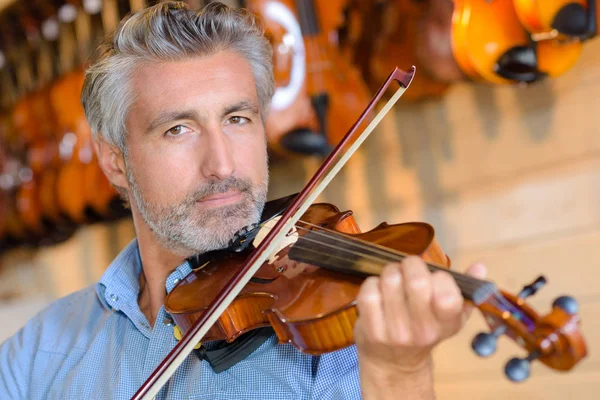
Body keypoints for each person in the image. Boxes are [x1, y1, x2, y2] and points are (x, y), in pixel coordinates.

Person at [0, 2, 486, 399]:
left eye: (238, 119)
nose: (223, 165)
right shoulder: (39, 352)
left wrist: (399, 373)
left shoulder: (325, 331)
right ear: (115, 163)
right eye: (178, 129)